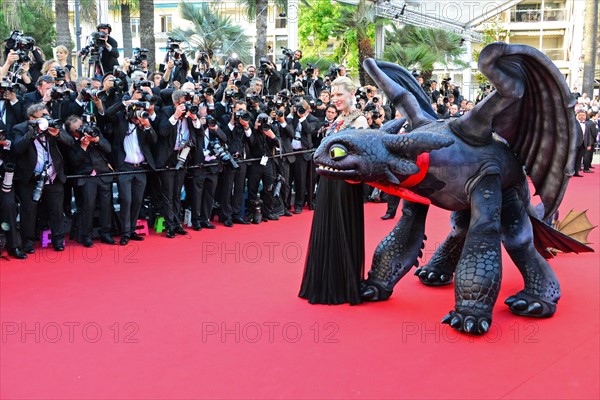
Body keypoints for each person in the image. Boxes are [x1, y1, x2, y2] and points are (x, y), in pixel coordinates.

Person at [299, 76, 369, 305]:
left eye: (340, 94)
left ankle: (341, 285)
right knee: (327, 228)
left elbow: (360, 156)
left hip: (346, 184)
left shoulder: (359, 122)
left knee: (341, 229)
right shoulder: (337, 120)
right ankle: (324, 282)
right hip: (328, 182)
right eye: (333, 94)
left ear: (352, 94)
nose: (335, 98)